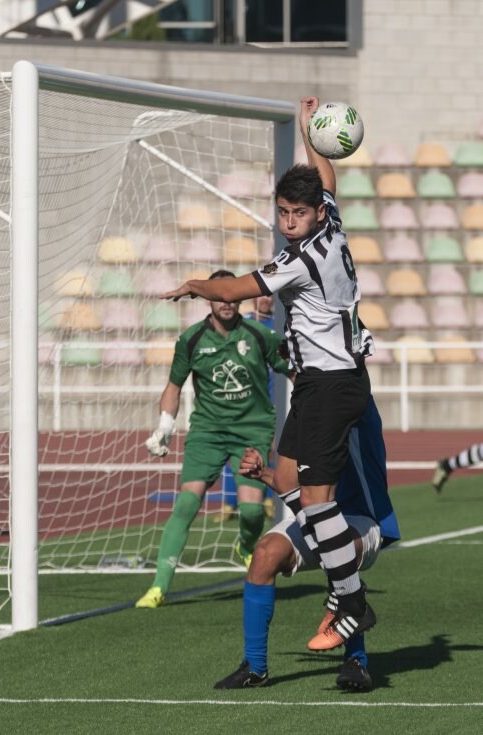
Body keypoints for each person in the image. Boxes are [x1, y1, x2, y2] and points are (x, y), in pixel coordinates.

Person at [162, 96, 376, 649]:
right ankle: (342, 589)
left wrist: (194, 284)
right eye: (281, 213)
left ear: (316, 216)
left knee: (319, 499)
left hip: (333, 385)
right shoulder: (330, 222)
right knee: (286, 479)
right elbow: (325, 173)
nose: (287, 223)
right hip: (314, 388)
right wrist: (310, 132)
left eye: (296, 214)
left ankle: (350, 599)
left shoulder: (301, 258)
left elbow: (233, 290)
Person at [214, 395, 400, 691]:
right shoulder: (304, 404)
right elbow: (295, 486)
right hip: (317, 515)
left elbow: (322, 488)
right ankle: (255, 667)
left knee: (332, 542)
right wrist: (262, 473)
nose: (291, 363)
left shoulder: (350, 396)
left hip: (363, 521)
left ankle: (356, 660)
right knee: (264, 554)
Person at [136, 269, 291, 609]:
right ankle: (158, 587)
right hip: (207, 431)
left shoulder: (258, 334)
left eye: (232, 296)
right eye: (220, 296)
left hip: (251, 431)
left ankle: (247, 547)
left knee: (252, 512)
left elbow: (290, 366)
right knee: (187, 503)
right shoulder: (191, 339)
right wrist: (164, 426)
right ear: (208, 299)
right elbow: (173, 386)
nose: (227, 302)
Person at [215, 294, 277, 523]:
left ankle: (270, 499)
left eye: (269, 296)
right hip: (240, 400)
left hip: (270, 401)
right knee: (232, 450)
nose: (265, 300)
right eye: (261, 295)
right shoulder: (241, 325)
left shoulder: (279, 326)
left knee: (269, 450)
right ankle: (229, 503)